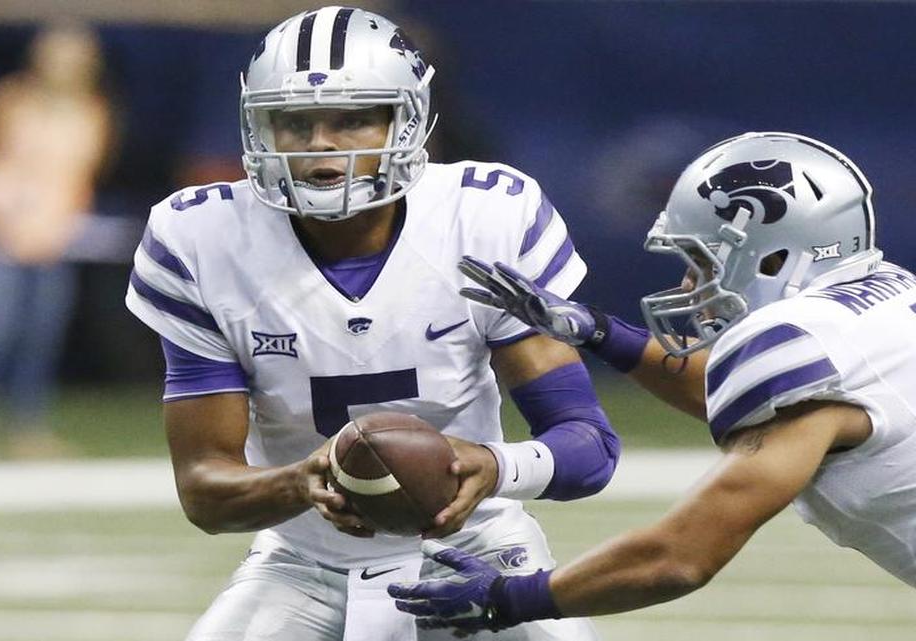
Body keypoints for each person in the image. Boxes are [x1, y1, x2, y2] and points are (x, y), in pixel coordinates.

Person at [389, 132, 916, 641]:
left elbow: (681, 554)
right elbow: (734, 396)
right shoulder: (874, 299)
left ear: (772, 247)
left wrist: (510, 597)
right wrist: (600, 333)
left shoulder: (802, 344)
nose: (687, 284)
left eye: (701, 260)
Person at [124, 7, 615, 641]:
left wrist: (493, 466)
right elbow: (204, 490)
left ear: (406, 118)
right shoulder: (200, 237)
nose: (321, 143)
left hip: (481, 554)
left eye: (353, 118)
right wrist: (299, 481)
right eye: (293, 122)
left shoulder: (485, 215)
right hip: (304, 565)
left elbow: (589, 448)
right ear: (258, 128)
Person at [0, 22, 113, 458]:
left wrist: (60, 220)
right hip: (3, 234)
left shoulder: (92, 110)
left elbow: (80, 175)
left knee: (39, 337)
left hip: (54, 239)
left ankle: (26, 430)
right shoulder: (12, 98)